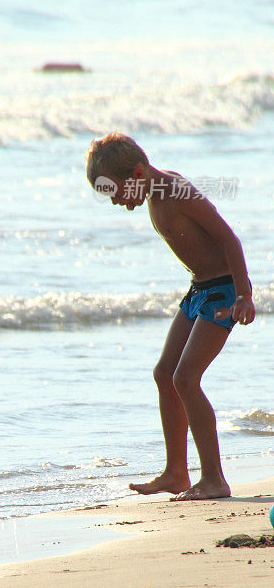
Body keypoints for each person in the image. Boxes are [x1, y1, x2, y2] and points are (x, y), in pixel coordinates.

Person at [85, 132, 255, 501]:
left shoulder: (177, 192)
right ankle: (177, 472)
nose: (115, 202)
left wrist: (244, 294)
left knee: (186, 377)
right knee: (165, 374)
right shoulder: (154, 191)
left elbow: (229, 240)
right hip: (198, 291)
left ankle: (214, 479)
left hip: (224, 291)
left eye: (116, 192)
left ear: (138, 172)